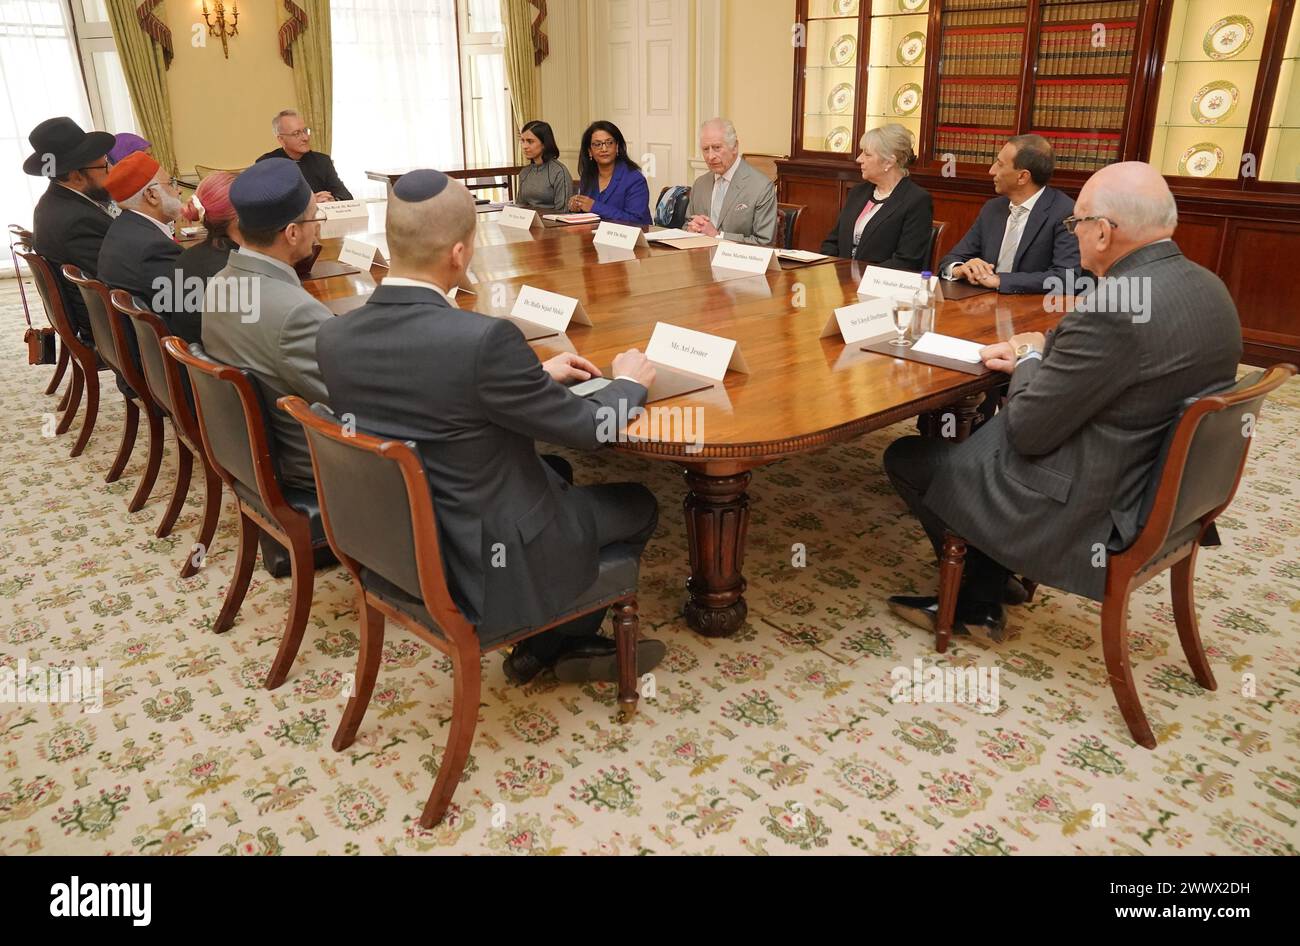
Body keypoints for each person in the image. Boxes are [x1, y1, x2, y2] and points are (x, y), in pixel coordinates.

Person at [317, 169, 666, 685]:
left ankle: (549, 636)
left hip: (398, 537)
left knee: (556, 470)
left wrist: (531, 377)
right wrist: (630, 384)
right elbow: (590, 428)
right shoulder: (482, 341)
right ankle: (554, 638)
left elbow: (433, 395)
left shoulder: (335, 336)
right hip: (483, 554)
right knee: (640, 503)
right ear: (459, 253)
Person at [883, 162, 1243, 639]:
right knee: (980, 442)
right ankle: (992, 578)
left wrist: (1031, 357)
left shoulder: (1109, 308)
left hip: (1098, 499)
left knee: (909, 456)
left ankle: (974, 596)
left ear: (1102, 233)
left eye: (1076, 223)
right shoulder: (1208, 286)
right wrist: (1049, 352)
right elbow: (1133, 363)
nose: (1072, 233)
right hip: (1161, 482)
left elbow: (1029, 431)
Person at [201, 157, 331, 494]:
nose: (317, 227)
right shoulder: (297, 314)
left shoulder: (219, 282)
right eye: (315, 218)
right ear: (292, 232)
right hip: (311, 467)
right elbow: (349, 400)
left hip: (249, 454)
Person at [939, 134, 1080, 293]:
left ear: (1022, 177)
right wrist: (961, 269)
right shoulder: (992, 209)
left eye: (1000, 164)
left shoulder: (1066, 212)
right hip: (981, 305)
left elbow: (1067, 278)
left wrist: (1000, 280)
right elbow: (951, 259)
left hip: (1033, 311)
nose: (991, 171)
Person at [24, 116, 115, 343]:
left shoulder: (54, 202)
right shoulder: (77, 220)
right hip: (107, 328)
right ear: (76, 176)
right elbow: (117, 278)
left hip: (95, 316)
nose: (111, 170)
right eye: (104, 164)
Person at [820, 123, 932, 270]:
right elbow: (832, 243)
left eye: (867, 154)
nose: (859, 159)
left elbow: (906, 261)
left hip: (882, 287)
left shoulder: (917, 200)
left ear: (889, 161)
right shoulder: (857, 192)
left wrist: (862, 278)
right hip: (842, 281)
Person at [96, 153, 183, 328]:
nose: (179, 190)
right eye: (172, 183)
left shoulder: (120, 228)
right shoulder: (155, 248)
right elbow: (189, 307)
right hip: (163, 349)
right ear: (151, 195)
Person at [172, 171, 242, 344]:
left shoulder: (185, 258)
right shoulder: (235, 271)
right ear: (238, 215)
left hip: (196, 362)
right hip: (225, 365)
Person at [684, 118, 777, 246]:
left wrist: (717, 236)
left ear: (734, 147)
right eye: (706, 149)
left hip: (740, 263)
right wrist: (691, 229)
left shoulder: (761, 187)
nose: (710, 156)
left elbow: (764, 243)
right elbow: (686, 225)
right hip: (700, 259)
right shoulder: (700, 184)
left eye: (717, 148)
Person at [256, 109, 352, 203]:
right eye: (296, 133)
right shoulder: (266, 164)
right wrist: (309, 202)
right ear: (281, 139)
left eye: (305, 131)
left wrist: (333, 201)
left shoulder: (322, 161)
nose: (305, 138)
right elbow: (268, 205)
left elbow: (346, 196)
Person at [567, 120, 651, 226]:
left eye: (609, 143)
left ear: (617, 147)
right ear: (589, 151)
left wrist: (594, 206)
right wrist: (576, 207)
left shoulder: (634, 179)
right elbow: (588, 215)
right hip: (594, 237)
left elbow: (636, 221)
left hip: (631, 239)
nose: (604, 148)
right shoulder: (588, 175)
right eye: (597, 144)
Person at [516, 120, 573, 211]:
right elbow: (519, 207)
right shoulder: (524, 172)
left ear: (544, 144)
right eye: (523, 141)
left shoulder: (559, 172)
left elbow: (563, 211)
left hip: (553, 223)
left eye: (530, 141)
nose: (524, 146)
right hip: (528, 223)